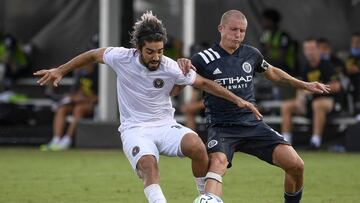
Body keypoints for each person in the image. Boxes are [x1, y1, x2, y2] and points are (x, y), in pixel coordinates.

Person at [34, 11, 262, 203]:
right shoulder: (121, 57)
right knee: (149, 167)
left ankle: (204, 198)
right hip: (135, 129)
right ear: (138, 48)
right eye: (150, 52)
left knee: (198, 147)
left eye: (160, 51)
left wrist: (238, 99)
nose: (156, 57)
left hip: (164, 125)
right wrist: (61, 70)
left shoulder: (170, 66)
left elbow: (203, 83)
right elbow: (93, 55)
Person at [176, 10, 330, 203]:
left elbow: (273, 72)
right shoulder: (202, 59)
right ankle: (208, 200)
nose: (238, 34)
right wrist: (180, 67)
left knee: (296, 165)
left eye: (242, 30)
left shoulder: (251, 54)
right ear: (221, 29)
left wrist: (304, 84)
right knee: (217, 163)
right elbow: (177, 85)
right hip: (222, 126)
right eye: (233, 29)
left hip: (253, 124)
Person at [281, 38, 341, 149]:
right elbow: (301, 87)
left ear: (319, 50)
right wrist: (300, 98)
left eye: (312, 49)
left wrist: (317, 89)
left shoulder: (327, 65)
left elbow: (337, 86)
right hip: (309, 102)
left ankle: (315, 141)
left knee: (317, 104)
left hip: (330, 102)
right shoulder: (305, 68)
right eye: (307, 49)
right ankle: (285, 141)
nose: (309, 52)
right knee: (286, 106)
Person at [40, 63, 98, 151]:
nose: (84, 67)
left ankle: (67, 140)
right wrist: (74, 97)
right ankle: (56, 140)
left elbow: (102, 97)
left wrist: (86, 99)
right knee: (62, 108)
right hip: (78, 103)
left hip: (93, 105)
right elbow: (75, 92)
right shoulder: (80, 74)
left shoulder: (100, 76)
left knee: (79, 109)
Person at [260, 8, 299, 101]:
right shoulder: (265, 36)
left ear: (271, 21)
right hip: (272, 67)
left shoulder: (283, 36)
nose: (263, 22)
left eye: (265, 20)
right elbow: (261, 54)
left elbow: (282, 58)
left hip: (286, 69)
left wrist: (269, 50)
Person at [345, 32, 360, 120]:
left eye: (358, 42)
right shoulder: (350, 57)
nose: (355, 45)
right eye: (353, 42)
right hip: (353, 86)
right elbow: (347, 69)